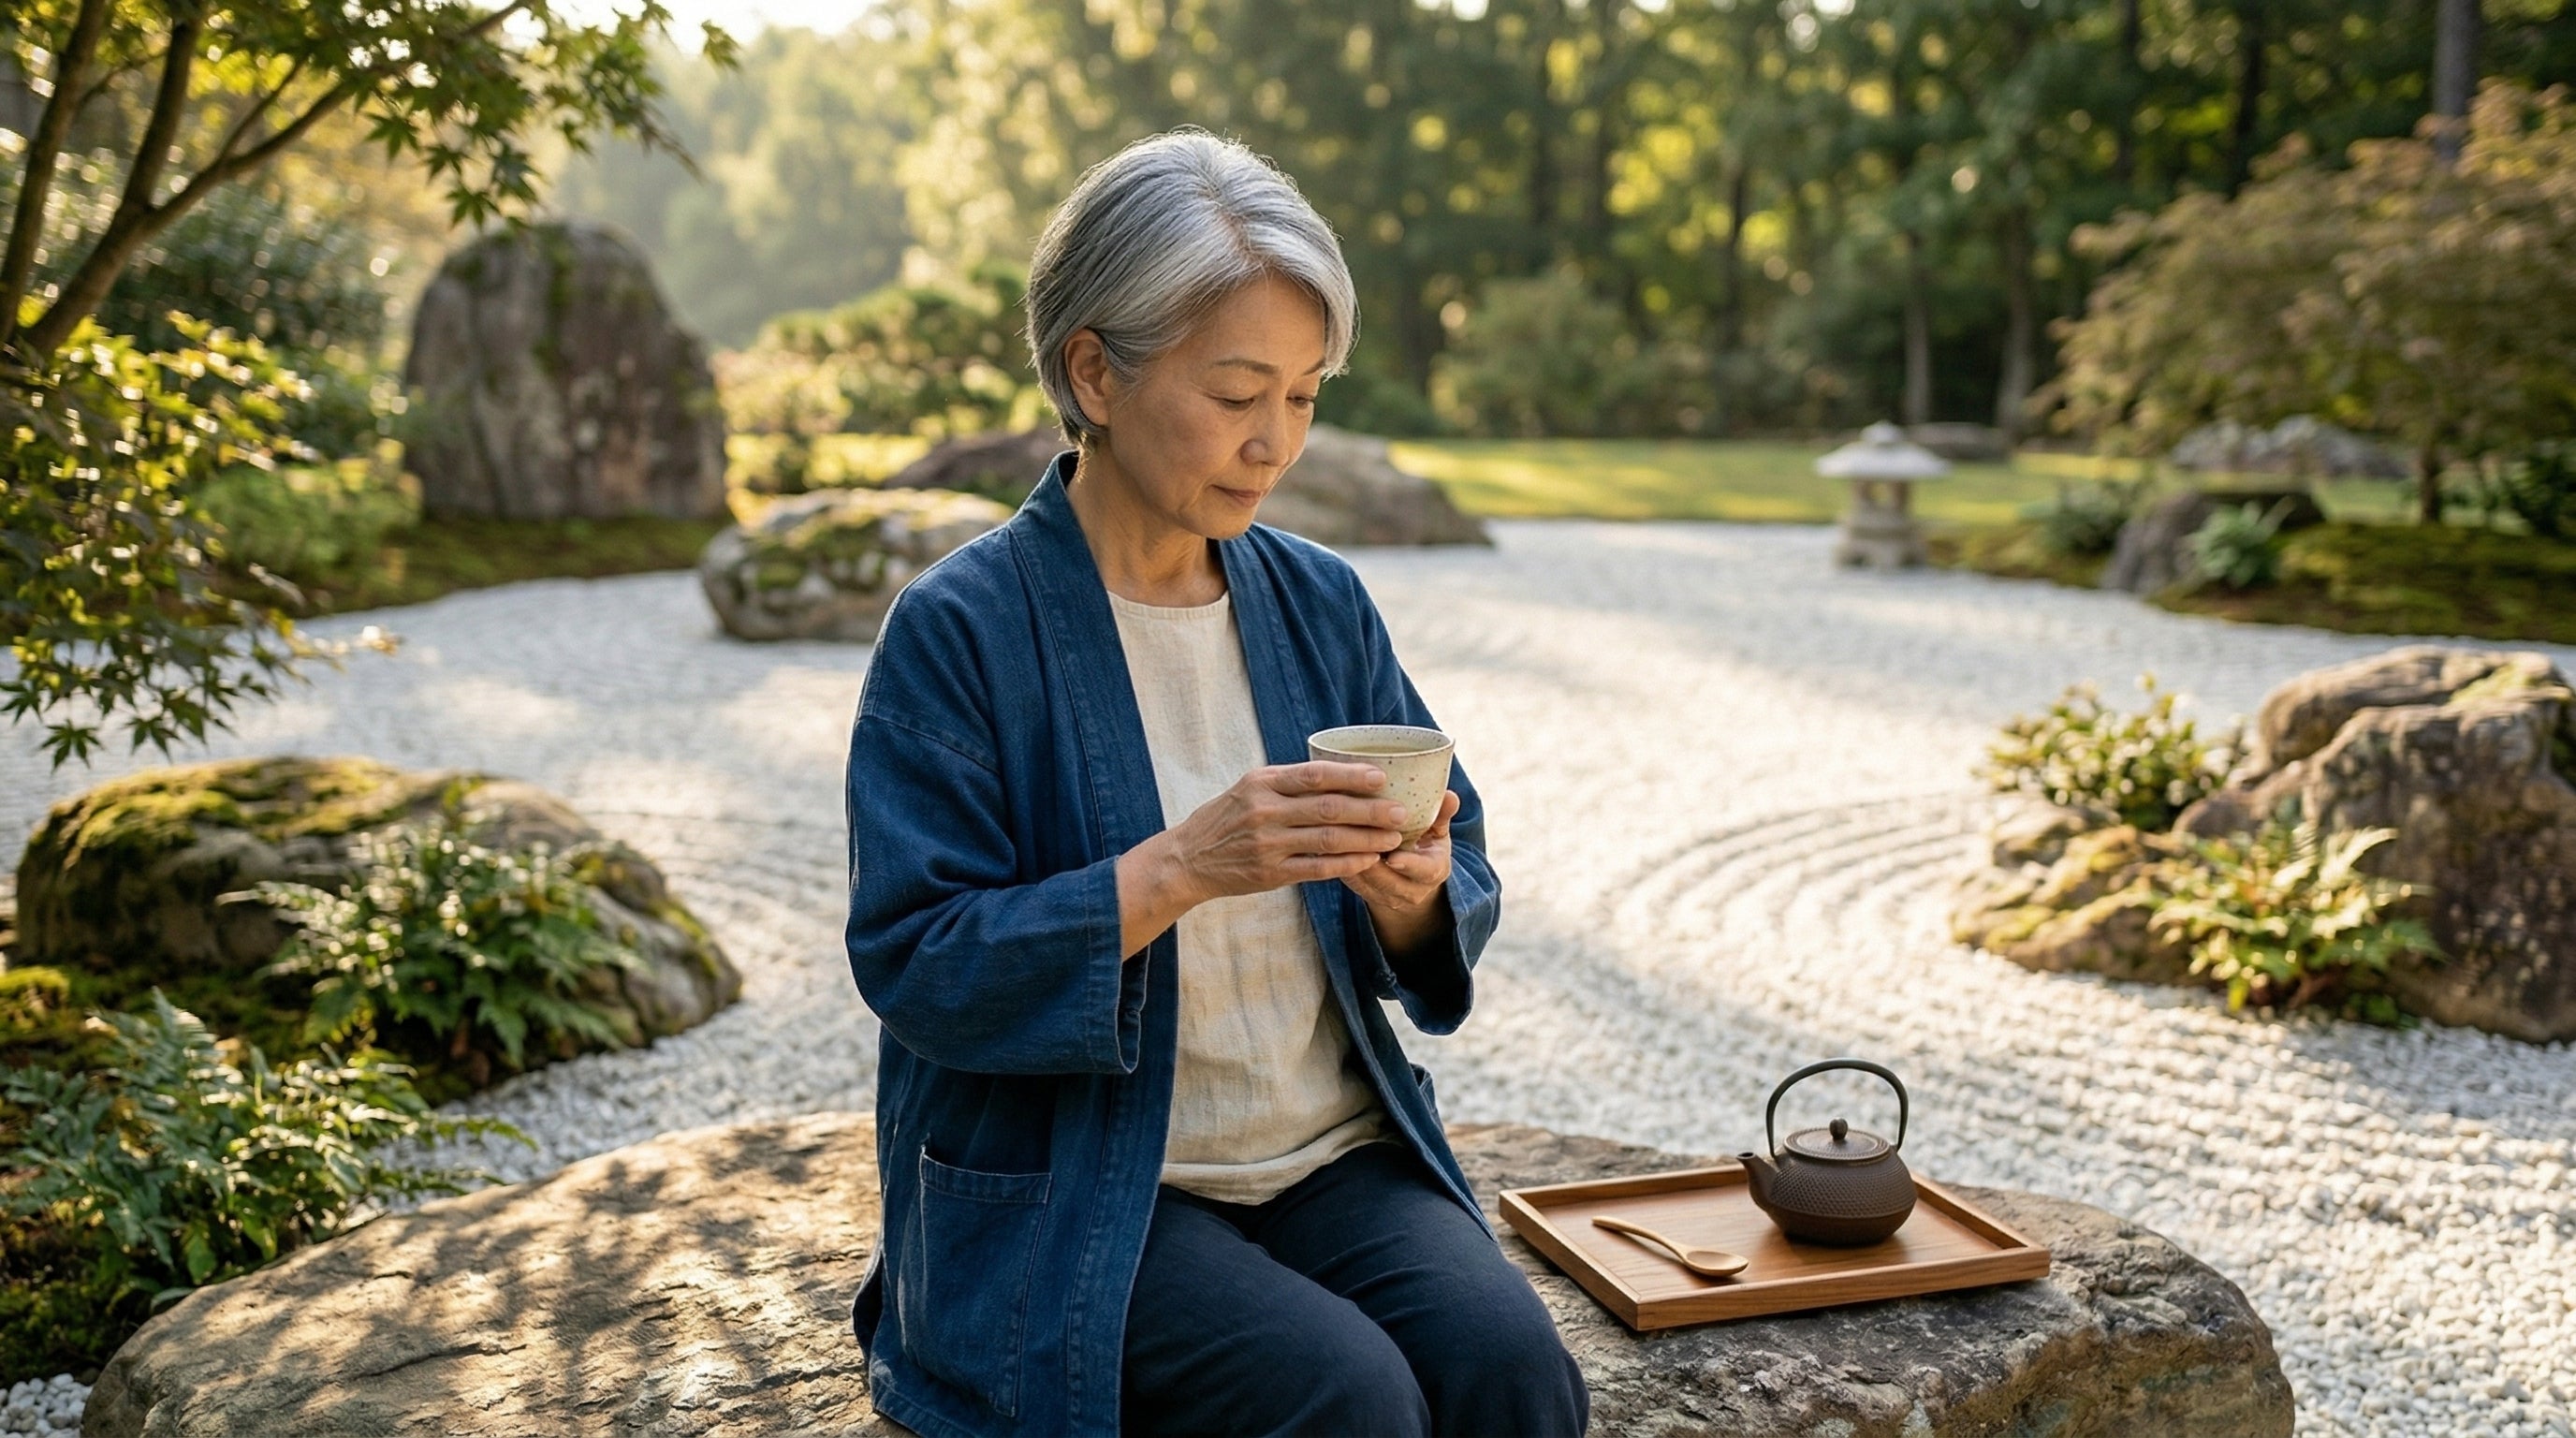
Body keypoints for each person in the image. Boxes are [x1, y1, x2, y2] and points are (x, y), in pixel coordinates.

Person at [843, 129, 1589, 1438]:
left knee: (1511, 1376)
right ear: (1095, 371)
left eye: (1304, 395)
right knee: (1347, 1400)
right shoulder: (959, 629)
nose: (1275, 443)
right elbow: (918, 958)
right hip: (1084, 1181)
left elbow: (1458, 877)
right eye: (1238, 392)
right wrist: (1183, 866)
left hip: (1323, 1155)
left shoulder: (1319, 601)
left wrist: (1410, 892)